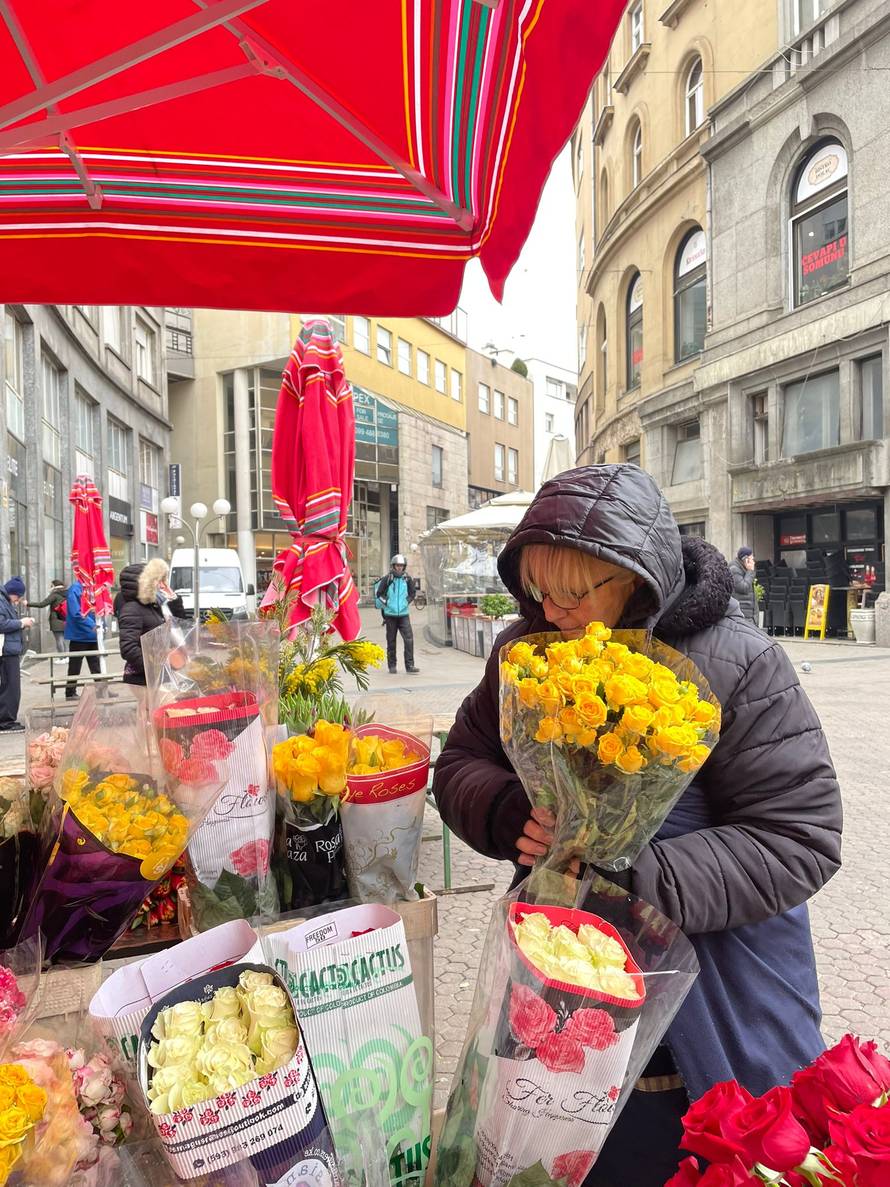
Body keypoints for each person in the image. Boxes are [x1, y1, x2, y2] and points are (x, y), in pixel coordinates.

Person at [432, 465, 842, 1187]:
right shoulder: (524, 652)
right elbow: (462, 758)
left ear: (636, 575)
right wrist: (504, 811)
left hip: (711, 1013)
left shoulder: (737, 660)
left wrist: (633, 874)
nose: (551, 609)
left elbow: (801, 835)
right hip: (557, 997)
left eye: (573, 589)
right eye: (537, 589)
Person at [117, 559, 186, 687]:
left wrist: (174, 600)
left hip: (159, 675)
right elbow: (128, 648)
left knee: (162, 706)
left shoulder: (154, 605)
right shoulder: (132, 609)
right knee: (161, 706)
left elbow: (180, 624)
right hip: (142, 678)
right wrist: (154, 665)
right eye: (157, 581)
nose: (161, 586)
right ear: (146, 583)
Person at [375, 554, 420, 675]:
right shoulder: (387, 578)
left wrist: (407, 601)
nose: (399, 567)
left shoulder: (408, 579)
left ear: (404, 566)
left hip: (404, 615)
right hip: (390, 615)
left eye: (401, 565)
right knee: (391, 641)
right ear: (393, 565)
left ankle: (410, 665)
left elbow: (412, 593)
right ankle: (392, 665)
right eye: (397, 565)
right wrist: (388, 603)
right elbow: (379, 593)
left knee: (409, 640)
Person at [0, 578, 35, 731]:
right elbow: (1, 624)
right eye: (19, 597)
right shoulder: (2, 601)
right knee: (11, 687)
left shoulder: (5, 601)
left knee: (9, 686)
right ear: (13, 593)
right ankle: (6, 721)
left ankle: (5, 719)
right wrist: (22, 623)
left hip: (9, 649)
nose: (19, 600)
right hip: (6, 651)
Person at [64, 579, 102, 699]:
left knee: (96, 666)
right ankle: (70, 692)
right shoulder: (75, 588)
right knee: (75, 666)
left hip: (92, 634)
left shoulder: (93, 587)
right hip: (79, 635)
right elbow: (76, 613)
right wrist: (92, 625)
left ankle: (101, 690)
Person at [29, 578, 68, 653]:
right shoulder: (67, 594)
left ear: (54, 586)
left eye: (51, 585)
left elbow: (42, 604)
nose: (50, 587)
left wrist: (28, 604)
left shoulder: (54, 595)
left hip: (56, 620)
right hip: (65, 619)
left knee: (59, 639)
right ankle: (66, 657)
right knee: (63, 640)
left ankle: (62, 657)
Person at [729, 545, 757, 624]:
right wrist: (750, 571)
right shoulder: (734, 569)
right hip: (743, 614)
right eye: (752, 559)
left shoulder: (743, 569)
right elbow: (744, 588)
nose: (753, 562)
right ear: (746, 560)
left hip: (747, 614)